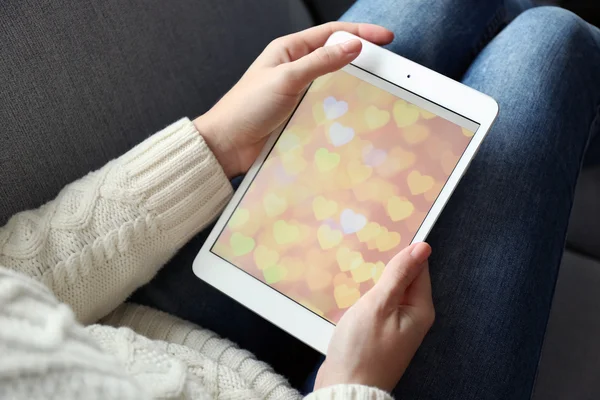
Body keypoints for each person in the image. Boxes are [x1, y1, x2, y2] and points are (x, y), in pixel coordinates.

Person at [0, 0, 599, 399]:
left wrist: (214, 142)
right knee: (553, 45)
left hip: (149, 327)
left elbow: (15, 281)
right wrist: (354, 381)